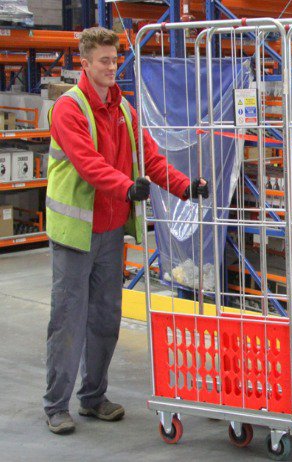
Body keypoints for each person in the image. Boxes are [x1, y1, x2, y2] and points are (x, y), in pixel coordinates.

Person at [43, 27, 209, 435]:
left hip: (111, 231)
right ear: (84, 64)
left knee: (104, 318)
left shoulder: (125, 111)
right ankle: (55, 406)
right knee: (68, 319)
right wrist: (125, 187)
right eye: (104, 60)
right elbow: (87, 163)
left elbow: (148, 158)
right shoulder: (69, 108)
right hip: (75, 234)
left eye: (115, 60)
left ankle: (94, 397)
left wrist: (186, 186)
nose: (112, 67)